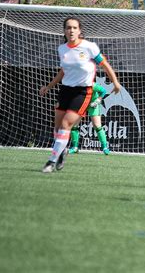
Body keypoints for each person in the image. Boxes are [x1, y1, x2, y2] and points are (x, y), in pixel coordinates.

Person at [39, 17, 121, 173]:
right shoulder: (62, 49)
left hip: (83, 92)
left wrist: (115, 82)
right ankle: (62, 150)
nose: (71, 30)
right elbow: (63, 71)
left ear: (79, 30)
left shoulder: (89, 47)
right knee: (57, 128)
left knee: (66, 125)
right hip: (65, 91)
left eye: (74, 28)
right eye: (68, 28)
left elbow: (104, 65)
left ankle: (51, 161)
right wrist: (49, 86)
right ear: (64, 31)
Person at [68, 82, 110, 155]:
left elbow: (103, 91)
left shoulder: (92, 85)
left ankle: (105, 147)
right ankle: (75, 147)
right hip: (82, 104)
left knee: (97, 126)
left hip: (93, 105)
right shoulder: (76, 84)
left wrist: (98, 100)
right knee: (74, 125)